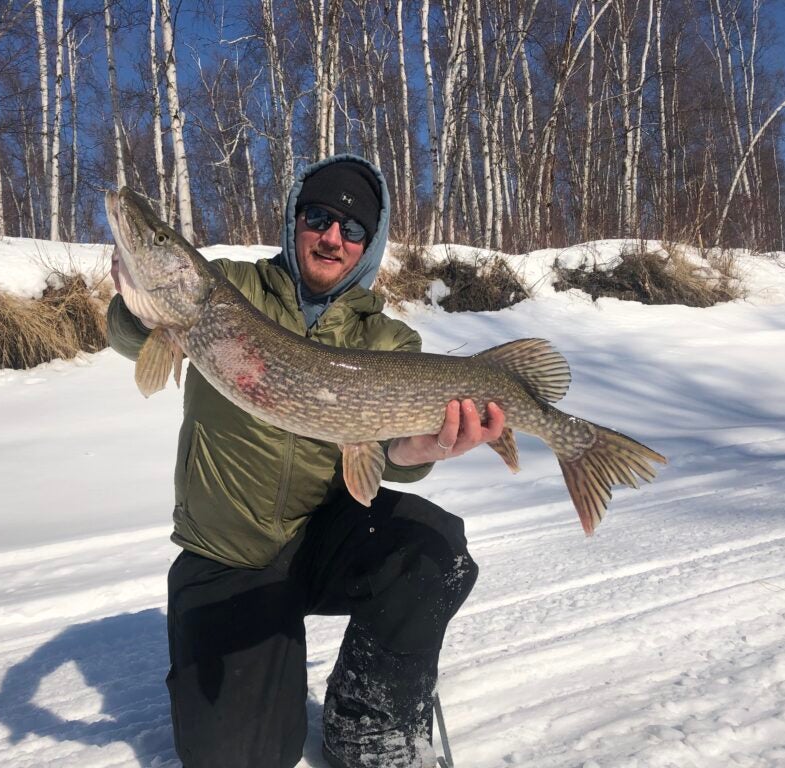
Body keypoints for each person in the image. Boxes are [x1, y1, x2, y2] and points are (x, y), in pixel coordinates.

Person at [107, 154, 505, 768]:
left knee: (434, 549)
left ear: (368, 247)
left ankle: (366, 724)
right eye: (318, 217)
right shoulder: (228, 288)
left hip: (321, 539)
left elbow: (388, 457)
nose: (332, 237)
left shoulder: (388, 342)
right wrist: (134, 303)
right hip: (228, 555)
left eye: (352, 230)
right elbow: (131, 337)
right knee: (240, 759)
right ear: (295, 220)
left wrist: (424, 449)